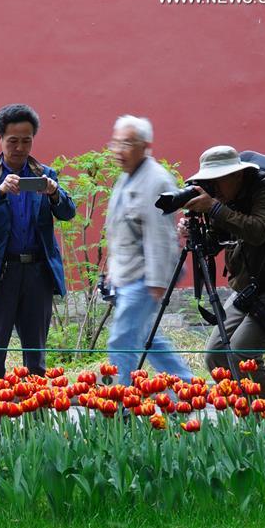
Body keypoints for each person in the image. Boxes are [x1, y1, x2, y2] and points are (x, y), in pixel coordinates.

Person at [181, 145, 265, 399]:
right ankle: (250, 421)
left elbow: (258, 230)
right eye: (209, 182)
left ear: (237, 175)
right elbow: (222, 240)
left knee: (242, 354)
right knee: (216, 355)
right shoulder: (229, 198)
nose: (214, 187)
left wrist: (214, 208)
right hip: (248, 286)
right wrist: (194, 230)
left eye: (217, 180)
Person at [0, 104, 75, 386]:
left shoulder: (45, 173)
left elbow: (67, 213)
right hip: (1, 274)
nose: (20, 147)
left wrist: (54, 193)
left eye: (26, 140)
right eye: (13, 141)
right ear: (0, 139)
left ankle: (35, 425)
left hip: (37, 274)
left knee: (36, 358)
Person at [104, 115, 193, 384]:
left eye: (127, 143)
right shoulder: (127, 177)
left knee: (122, 338)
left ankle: (120, 403)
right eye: (116, 143)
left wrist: (156, 282)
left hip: (145, 277)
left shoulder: (155, 180)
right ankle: (186, 385)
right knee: (146, 336)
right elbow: (119, 227)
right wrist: (112, 270)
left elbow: (160, 236)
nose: (119, 150)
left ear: (145, 145)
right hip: (128, 274)